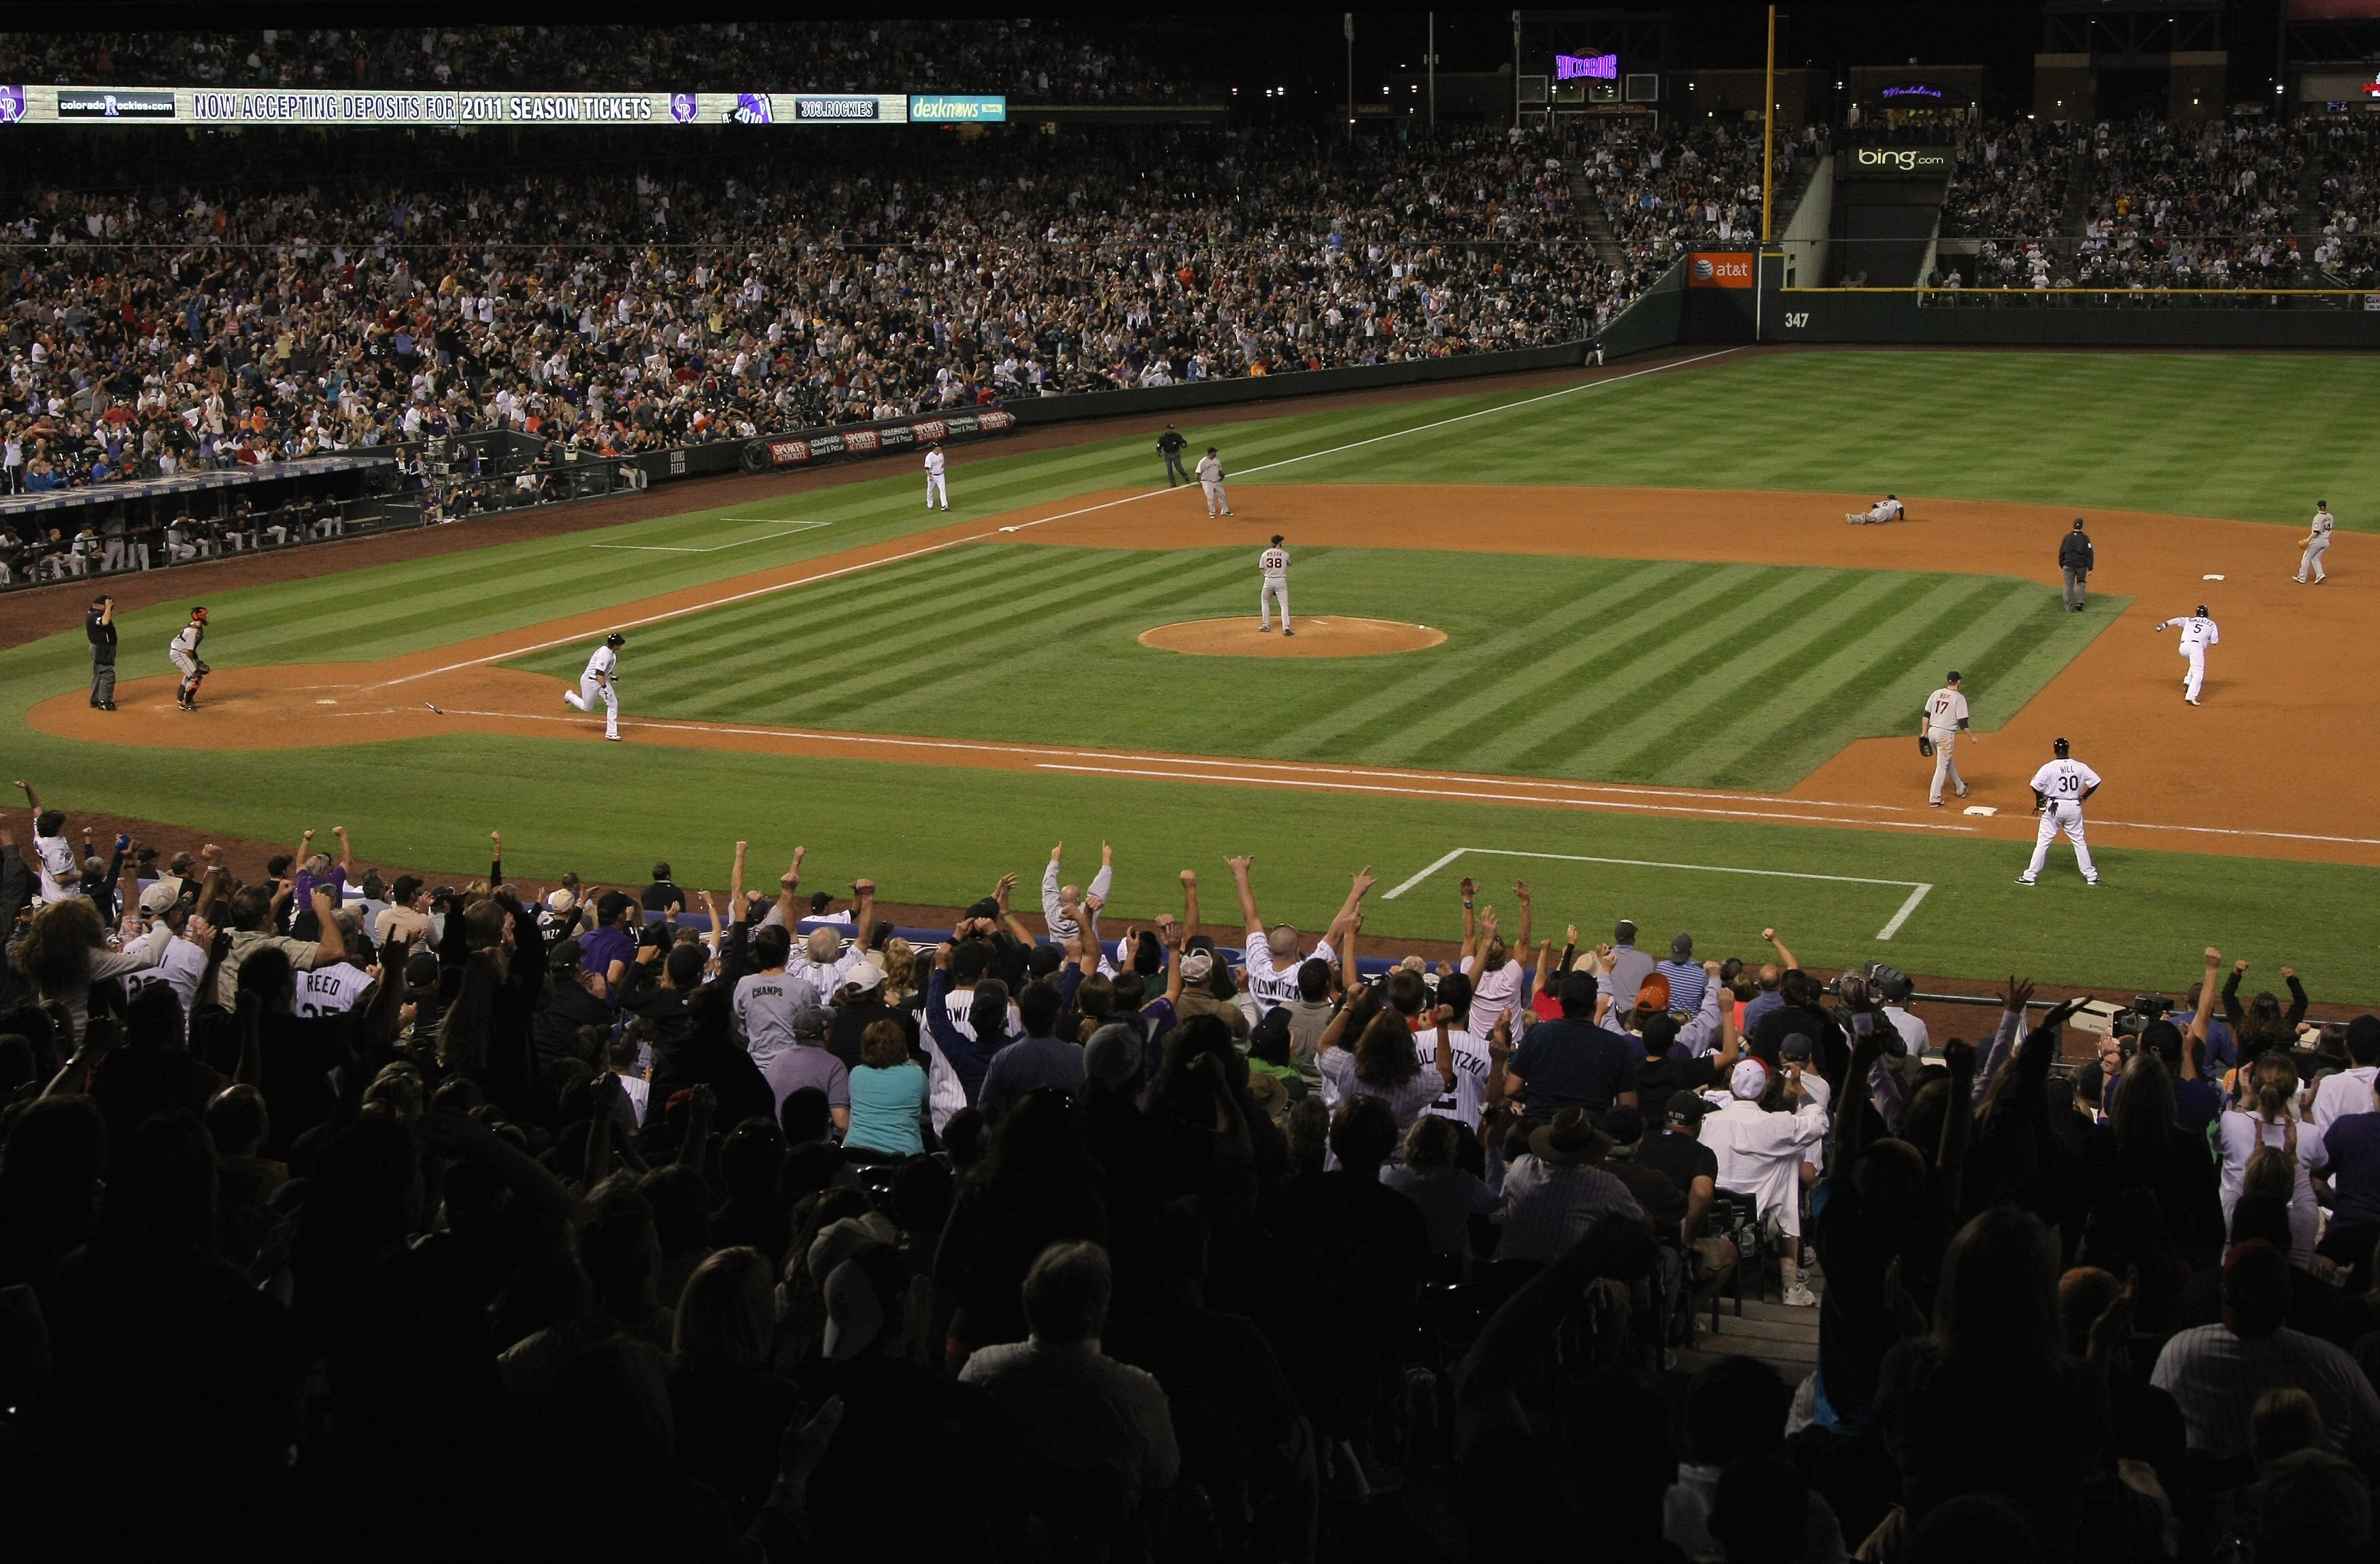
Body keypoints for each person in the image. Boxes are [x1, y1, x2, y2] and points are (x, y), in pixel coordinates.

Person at [956, 1241, 1178, 1511]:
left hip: (1006, 1541)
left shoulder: (982, 1371)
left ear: (1027, 1296)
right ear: (1101, 1309)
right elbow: (1161, 1477)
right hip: (1108, 1541)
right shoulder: (1139, 1392)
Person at [2151, 1238, 2380, 1473]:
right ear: (2288, 1300)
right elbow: (2372, 1445)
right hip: (2311, 1503)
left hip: (2206, 1505)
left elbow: (2157, 1441)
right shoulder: (2335, 1365)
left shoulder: (2178, 1353)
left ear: (2224, 1294)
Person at [2018, 737, 2100, 887]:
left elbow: (2035, 785)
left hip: (2054, 807)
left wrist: (2040, 797)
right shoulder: (2080, 767)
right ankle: (2091, 876)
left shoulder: (2049, 767)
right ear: (2068, 749)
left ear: (2055, 751)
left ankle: (2030, 876)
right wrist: (2085, 796)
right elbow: (2096, 781)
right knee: (2079, 842)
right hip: (2074, 806)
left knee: (2043, 842)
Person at [845, 1019, 928, 1157]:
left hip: (856, 1155)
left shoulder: (856, 1074)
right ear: (901, 1045)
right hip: (904, 1159)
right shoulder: (916, 1074)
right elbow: (929, 1107)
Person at [1918, 670, 1973, 808]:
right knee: (1942, 766)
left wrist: (1924, 732)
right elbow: (1963, 723)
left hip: (1932, 732)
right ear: (1959, 682)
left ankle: (1960, 788)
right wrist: (1972, 736)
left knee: (1948, 762)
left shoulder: (1936, 693)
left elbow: (1926, 714)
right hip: (1944, 736)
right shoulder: (1959, 698)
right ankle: (1934, 798)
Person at [561, 630, 624, 741]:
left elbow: (604, 671)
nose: (620, 645)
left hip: (600, 680)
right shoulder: (605, 654)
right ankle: (570, 696)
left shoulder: (611, 653)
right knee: (587, 708)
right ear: (614, 645)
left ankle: (611, 733)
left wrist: (611, 676)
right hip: (590, 682)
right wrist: (605, 689)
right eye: (619, 643)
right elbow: (599, 673)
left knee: (613, 703)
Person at [2154, 605, 2219, 707]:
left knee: (2194, 663)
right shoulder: (2211, 624)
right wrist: (2206, 638)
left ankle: (2188, 681)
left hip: (2183, 648)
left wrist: (2164, 625)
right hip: (2195, 648)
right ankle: (2191, 696)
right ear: (2207, 614)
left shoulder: (2189, 620)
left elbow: (2178, 620)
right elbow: (2214, 642)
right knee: (2198, 672)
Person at [169, 605, 209, 711]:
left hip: (180, 652)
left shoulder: (196, 627)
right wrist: (196, 663)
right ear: (199, 617)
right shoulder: (193, 632)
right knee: (196, 677)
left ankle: (181, 696)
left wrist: (197, 661)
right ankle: (185, 703)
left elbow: (192, 649)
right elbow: (189, 651)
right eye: (205, 616)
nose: (207, 617)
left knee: (191, 674)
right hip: (179, 654)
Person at [85, 594, 116, 711]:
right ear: (102, 605)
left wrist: (107, 608)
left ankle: (96, 700)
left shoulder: (94, 614)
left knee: (99, 673)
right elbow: (105, 622)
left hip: (101, 648)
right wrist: (108, 607)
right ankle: (104, 702)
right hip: (102, 649)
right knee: (107, 674)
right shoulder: (93, 615)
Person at [1257, 534, 1292, 635]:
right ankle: (1286, 628)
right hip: (1281, 581)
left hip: (1268, 581)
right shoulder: (1285, 554)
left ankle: (1265, 626)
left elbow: (1262, 569)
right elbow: (1289, 563)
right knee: (1284, 605)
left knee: (1265, 601)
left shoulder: (1265, 554)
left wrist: (1269, 579)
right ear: (1280, 543)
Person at [2059, 516, 2094, 611]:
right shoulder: (2085, 538)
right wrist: (2090, 567)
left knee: (2068, 585)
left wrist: (2061, 563)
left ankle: (2068, 607)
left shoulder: (2067, 537)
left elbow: (2062, 550)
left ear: (2073, 525)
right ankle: (2080, 603)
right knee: (2082, 582)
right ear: (2082, 526)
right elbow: (2089, 553)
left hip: (2069, 565)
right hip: (2081, 566)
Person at [2296, 499, 2332, 585]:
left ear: (2318, 507)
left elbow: (2316, 532)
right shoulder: (2330, 517)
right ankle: (2320, 574)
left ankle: (2302, 577)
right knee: (2315, 558)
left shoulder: (2318, 517)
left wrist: (2307, 540)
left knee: (2306, 557)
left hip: (2317, 541)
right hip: (2326, 541)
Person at [1196, 445, 1231, 517]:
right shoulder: (1203, 462)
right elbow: (1198, 473)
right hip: (1207, 482)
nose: (1216, 453)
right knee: (1210, 498)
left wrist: (1222, 476)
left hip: (1217, 481)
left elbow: (1219, 470)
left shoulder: (1217, 460)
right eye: (1215, 452)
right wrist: (1198, 481)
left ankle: (1225, 511)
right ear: (1210, 453)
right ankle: (1212, 513)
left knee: (1222, 496)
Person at [1156, 423, 1189, 487]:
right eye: (1170, 429)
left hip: (1176, 453)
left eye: (1172, 429)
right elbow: (1158, 446)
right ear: (1167, 429)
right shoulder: (1162, 438)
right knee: (1169, 469)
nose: (1171, 430)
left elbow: (1183, 442)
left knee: (1179, 468)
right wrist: (1159, 452)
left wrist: (1184, 445)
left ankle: (1186, 477)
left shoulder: (1177, 436)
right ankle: (1173, 483)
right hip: (1167, 454)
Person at [923, 441, 949, 510]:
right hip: (932, 475)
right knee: (930, 490)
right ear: (935, 448)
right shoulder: (930, 456)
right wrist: (929, 476)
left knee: (943, 490)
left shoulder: (941, 454)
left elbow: (942, 464)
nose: (941, 448)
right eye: (939, 447)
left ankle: (944, 505)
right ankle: (930, 505)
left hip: (941, 475)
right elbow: (927, 468)